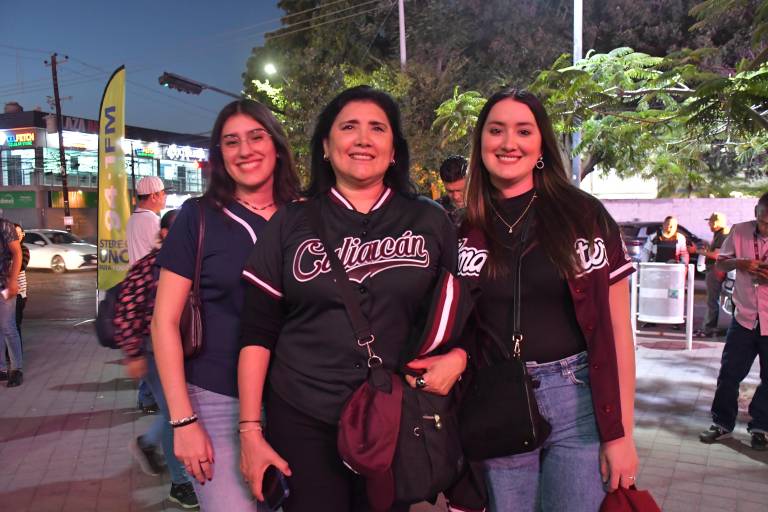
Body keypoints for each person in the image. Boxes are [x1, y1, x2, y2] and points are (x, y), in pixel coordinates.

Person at [236, 86, 467, 512]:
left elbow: (460, 313)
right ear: (326, 145)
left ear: (394, 149)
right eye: (349, 127)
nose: (363, 139)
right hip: (303, 412)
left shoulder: (430, 220)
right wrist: (250, 431)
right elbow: (257, 330)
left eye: (377, 128)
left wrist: (460, 357)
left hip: (395, 415)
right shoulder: (291, 221)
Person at [456, 88, 638, 511]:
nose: (508, 143)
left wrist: (622, 433)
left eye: (523, 131)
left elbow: (617, 332)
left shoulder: (584, 215)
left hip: (579, 401)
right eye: (496, 130)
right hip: (499, 399)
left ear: (541, 145)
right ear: (481, 142)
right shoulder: (463, 229)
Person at [151, 98, 301, 510]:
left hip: (300, 402)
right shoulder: (197, 218)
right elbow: (163, 322)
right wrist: (183, 421)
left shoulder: (309, 215)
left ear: (276, 145)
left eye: (256, 136)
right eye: (231, 142)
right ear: (219, 156)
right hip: (217, 399)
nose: (245, 150)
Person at [115, 209, 199, 509]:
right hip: (154, 352)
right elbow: (126, 310)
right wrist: (133, 352)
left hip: (190, 351)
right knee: (177, 415)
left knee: (178, 412)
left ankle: (148, 444)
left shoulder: (198, 262)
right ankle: (180, 483)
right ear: (163, 233)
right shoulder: (148, 266)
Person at [699, 195, 768, 451]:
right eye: (761, 221)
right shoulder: (739, 231)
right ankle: (722, 424)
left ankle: (761, 427)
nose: (765, 228)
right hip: (745, 318)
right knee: (729, 374)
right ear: (755, 213)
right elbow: (721, 262)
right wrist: (740, 262)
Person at [128, 175, 169, 415]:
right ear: (153, 195)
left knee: (149, 346)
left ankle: (146, 396)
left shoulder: (133, 219)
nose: (164, 198)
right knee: (155, 348)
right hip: (152, 288)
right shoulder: (153, 221)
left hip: (138, 289)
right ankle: (147, 397)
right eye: (162, 193)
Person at [694, 212, 730, 338]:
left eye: (710, 221)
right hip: (717, 269)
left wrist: (698, 251)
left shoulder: (723, 234)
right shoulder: (720, 234)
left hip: (716, 269)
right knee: (713, 300)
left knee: (712, 300)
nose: (709, 224)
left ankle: (708, 329)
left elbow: (717, 255)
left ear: (716, 222)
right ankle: (710, 327)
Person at [0, 217, 23, 387]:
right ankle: (1, 369)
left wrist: (13, 280)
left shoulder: (4, 225)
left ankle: (16, 369)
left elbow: (17, 252)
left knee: (8, 327)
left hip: (4, 283)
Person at [437, 154, 468, 226]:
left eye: (461, 190)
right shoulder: (436, 210)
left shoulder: (489, 207)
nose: (455, 197)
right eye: (450, 191)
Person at [14, 223, 29, 344]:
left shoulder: (23, 249)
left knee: (14, 324)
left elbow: (21, 266)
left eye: (21, 233)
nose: (19, 236)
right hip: (6, 294)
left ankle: (15, 356)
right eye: (16, 233)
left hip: (19, 294)